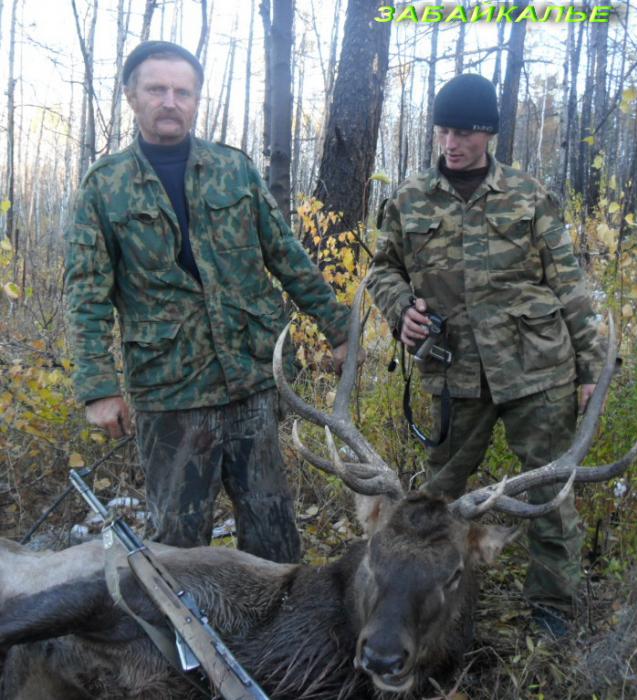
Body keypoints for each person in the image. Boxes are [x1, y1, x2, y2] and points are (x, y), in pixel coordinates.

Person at [65, 41, 351, 563]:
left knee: (272, 528)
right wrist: (98, 388)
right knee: (179, 540)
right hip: (170, 390)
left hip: (251, 379)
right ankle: (184, 641)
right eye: (157, 89)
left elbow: (285, 255)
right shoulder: (103, 188)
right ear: (132, 96)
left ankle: (275, 635)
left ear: (196, 99)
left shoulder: (233, 169)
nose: (170, 101)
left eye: (182, 91)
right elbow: (86, 293)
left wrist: (339, 328)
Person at [368, 74, 604, 636]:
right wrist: (401, 309)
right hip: (454, 375)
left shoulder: (529, 196)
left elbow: (568, 284)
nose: (452, 143)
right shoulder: (408, 199)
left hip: (538, 370)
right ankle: (425, 607)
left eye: (466, 133)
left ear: (489, 134)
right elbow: (383, 268)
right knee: (436, 500)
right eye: (444, 130)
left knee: (548, 493)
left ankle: (553, 616)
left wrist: (593, 368)